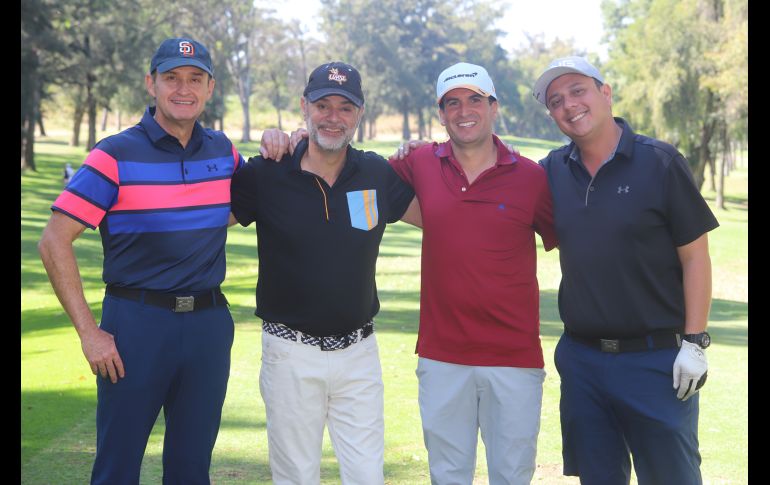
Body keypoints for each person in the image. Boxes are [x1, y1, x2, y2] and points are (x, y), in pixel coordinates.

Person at [264, 61, 558, 484]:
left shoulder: (531, 177)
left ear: (494, 106)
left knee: (512, 475)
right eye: (451, 103)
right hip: (441, 356)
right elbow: (334, 154)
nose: (463, 111)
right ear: (441, 114)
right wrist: (294, 140)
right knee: (447, 475)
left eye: (475, 100)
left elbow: (577, 239)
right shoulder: (419, 162)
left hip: (513, 358)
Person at [38, 37, 244, 485]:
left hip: (208, 326)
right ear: (151, 83)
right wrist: (89, 334)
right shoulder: (114, 154)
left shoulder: (224, 152)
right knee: (117, 468)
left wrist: (292, 140)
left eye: (195, 79)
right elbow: (54, 241)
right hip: (135, 327)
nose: (183, 89)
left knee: (192, 470)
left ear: (210, 87)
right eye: (171, 78)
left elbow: (253, 202)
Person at [532, 56, 719, 485]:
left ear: (605, 92)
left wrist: (695, 342)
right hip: (582, 363)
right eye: (556, 100)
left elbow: (695, 257)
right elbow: (494, 179)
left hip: (656, 362)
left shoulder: (661, 162)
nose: (569, 105)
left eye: (578, 90)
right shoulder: (551, 172)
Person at [230, 61, 418, 485]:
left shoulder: (375, 172)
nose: (333, 117)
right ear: (304, 107)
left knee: (367, 475)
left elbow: (440, 216)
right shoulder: (267, 172)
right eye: (323, 106)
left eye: (345, 108)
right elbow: (202, 217)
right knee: (296, 476)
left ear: (359, 115)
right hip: (290, 353)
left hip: (359, 353)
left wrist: (427, 154)